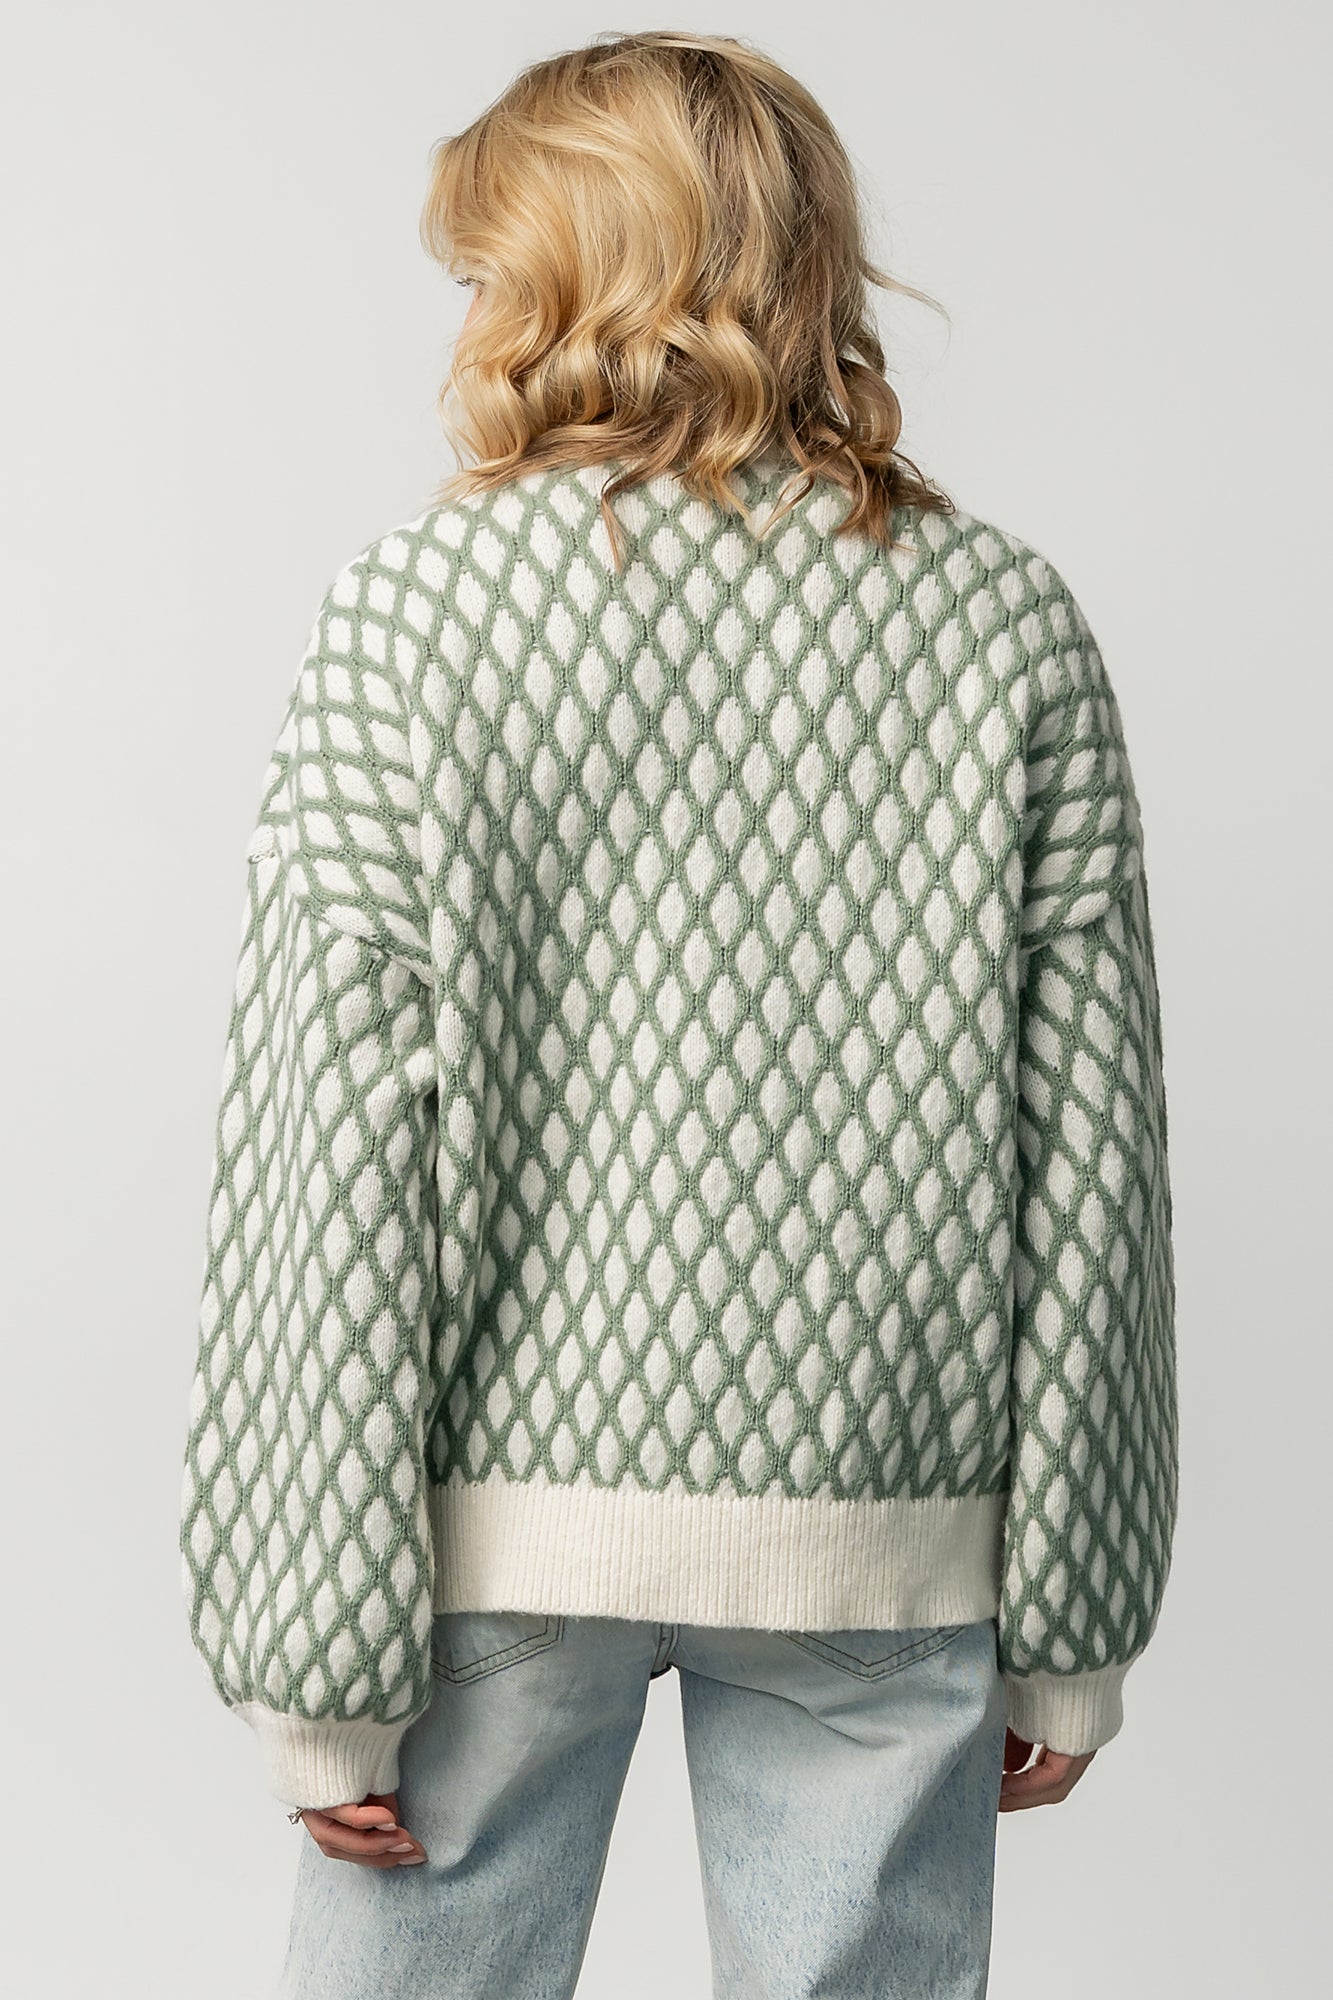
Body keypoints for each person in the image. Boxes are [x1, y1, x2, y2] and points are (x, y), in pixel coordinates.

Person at [177, 27, 1178, 1999]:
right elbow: (1089, 1160)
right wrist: (1071, 1620)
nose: (470, 303)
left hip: (483, 1543)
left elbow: (327, 1153)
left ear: (559, 271)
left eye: (489, 261)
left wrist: (315, 1655)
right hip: (882, 1530)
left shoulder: (413, 613)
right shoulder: (1006, 624)